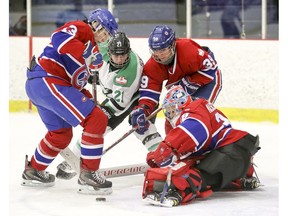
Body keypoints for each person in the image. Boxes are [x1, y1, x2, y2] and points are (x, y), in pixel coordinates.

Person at [21, 8, 118, 195]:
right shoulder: (82, 29)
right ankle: (89, 174)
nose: (105, 38)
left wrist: (88, 98)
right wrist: (86, 54)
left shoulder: (93, 51)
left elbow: (74, 85)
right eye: (105, 32)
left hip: (41, 86)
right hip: (47, 80)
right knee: (97, 119)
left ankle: (34, 170)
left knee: (60, 134)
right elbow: (59, 38)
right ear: (96, 26)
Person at [56, 31, 163, 180]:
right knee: (96, 125)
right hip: (120, 94)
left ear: (129, 52)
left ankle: (164, 157)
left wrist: (97, 113)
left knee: (140, 129)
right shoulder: (104, 51)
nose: (119, 59)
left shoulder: (129, 71)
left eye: (123, 55)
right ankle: (75, 158)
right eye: (116, 55)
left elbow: (119, 104)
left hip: (139, 98)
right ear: (109, 51)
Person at [142, 85, 261, 207]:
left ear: (182, 104)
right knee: (194, 167)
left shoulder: (194, 108)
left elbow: (197, 130)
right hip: (229, 151)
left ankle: (177, 191)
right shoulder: (196, 110)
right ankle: (241, 175)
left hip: (233, 148)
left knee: (197, 176)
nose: (170, 115)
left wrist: (168, 148)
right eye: (168, 112)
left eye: (172, 109)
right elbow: (194, 147)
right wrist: (165, 157)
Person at [131, 25, 222, 136]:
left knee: (194, 114)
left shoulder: (188, 49)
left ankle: (204, 145)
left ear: (173, 45)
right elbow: (149, 93)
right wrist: (143, 110)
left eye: (163, 50)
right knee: (172, 116)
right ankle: (173, 148)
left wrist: (189, 83)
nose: (159, 55)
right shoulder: (152, 67)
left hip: (208, 81)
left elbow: (211, 68)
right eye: (155, 51)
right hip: (181, 88)